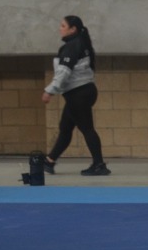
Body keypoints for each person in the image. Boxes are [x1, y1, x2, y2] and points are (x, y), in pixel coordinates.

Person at [41, 15, 109, 177]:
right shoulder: (80, 43)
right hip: (81, 93)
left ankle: (99, 164)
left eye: (63, 25)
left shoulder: (72, 46)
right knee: (65, 128)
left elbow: (64, 72)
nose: (60, 28)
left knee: (86, 128)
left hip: (79, 94)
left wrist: (50, 90)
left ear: (73, 29)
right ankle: (50, 161)